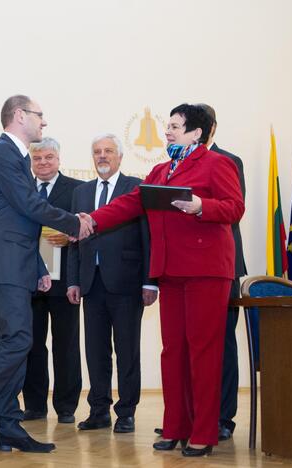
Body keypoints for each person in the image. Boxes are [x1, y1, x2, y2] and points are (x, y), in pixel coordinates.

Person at [88, 104, 244, 457]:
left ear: (196, 133)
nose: (168, 132)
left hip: (207, 271)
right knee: (173, 351)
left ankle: (203, 432)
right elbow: (129, 204)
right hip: (171, 272)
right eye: (168, 126)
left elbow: (235, 207)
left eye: (175, 126)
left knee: (203, 351)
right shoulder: (161, 170)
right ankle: (175, 426)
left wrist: (202, 206)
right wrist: (91, 221)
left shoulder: (218, 164)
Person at [0, 95, 93, 456]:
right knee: (17, 341)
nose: (44, 123)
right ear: (19, 115)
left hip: (14, 263)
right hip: (3, 264)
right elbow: (31, 206)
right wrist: (74, 223)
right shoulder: (2, 153)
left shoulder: (15, 157)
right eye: (40, 116)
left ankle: (8, 426)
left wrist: (39, 266)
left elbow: (19, 218)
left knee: (13, 342)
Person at [67, 134, 158, 434]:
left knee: (127, 350)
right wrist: (73, 281)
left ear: (120, 157)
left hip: (127, 283)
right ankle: (99, 410)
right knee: (95, 351)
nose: (102, 156)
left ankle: (126, 411)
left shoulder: (135, 187)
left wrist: (150, 282)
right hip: (91, 284)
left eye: (108, 151)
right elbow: (72, 242)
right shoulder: (81, 193)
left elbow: (148, 235)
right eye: (97, 152)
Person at [22, 137, 83, 424]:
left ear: (58, 159)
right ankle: (34, 405)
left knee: (66, 344)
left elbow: (85, 229)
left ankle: (67, 406)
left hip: (65, 280)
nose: (43, 163)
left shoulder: (77, 190)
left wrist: (71, 237)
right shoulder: (22, 189)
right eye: (38, 159)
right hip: (29, 280)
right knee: (32, 344)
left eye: (48, 158)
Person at [199, 103, 247, 440]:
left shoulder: (227, 161)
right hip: (187, 269)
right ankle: (193, 415)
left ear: (208, 128)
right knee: (191, 344)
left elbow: (232, 210)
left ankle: (222, 418)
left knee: (222, 345)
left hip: (222, 268)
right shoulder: (175, 165)